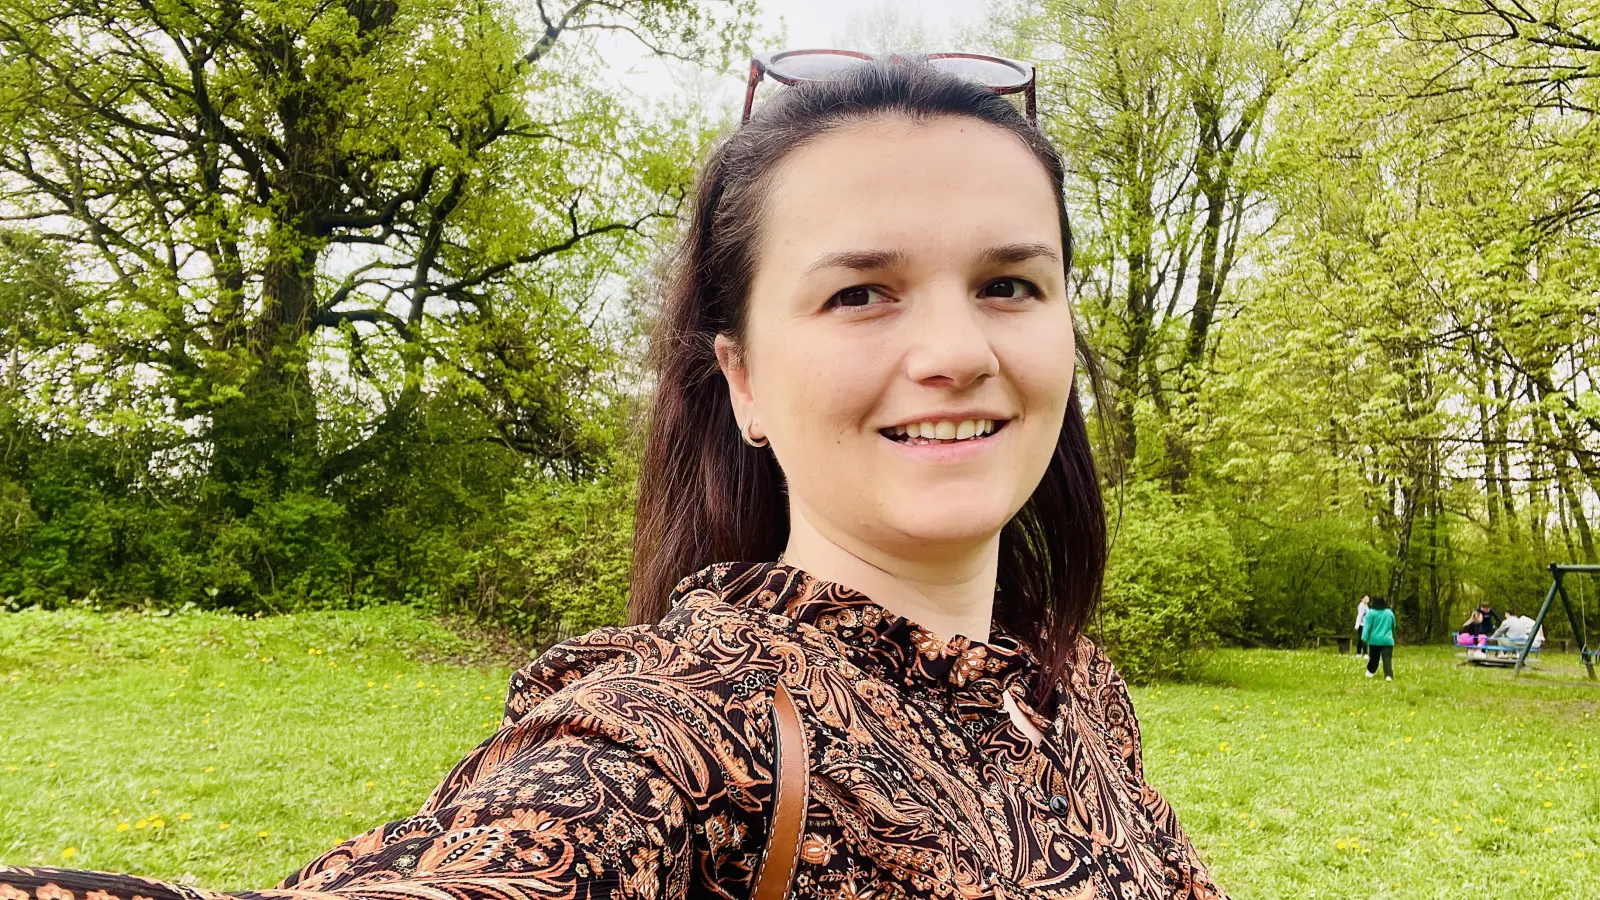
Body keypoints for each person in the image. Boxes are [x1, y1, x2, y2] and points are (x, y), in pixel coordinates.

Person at [0, 57, 1227, 900]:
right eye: (862, 292)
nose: (956, 351)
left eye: (1009, 284)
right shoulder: (686, 732)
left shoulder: (1072, 690)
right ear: (742, 380)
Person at [1363, 595, 1396, 681]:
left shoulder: (1371, 612)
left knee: (1374, 658)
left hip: (1374, 640)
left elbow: (1367, 626)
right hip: (1387, 640)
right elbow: (1393, 624)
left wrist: (1364, 637)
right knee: (1387, 658)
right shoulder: (1389, 612)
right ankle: (1388, 675)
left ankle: (1370, 672)